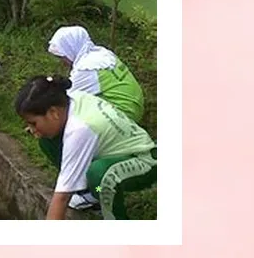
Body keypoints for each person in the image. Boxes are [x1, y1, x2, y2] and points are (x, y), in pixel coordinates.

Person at [13, 76, 157, 220]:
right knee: (47, 140)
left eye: (33, 123)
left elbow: (62, 198)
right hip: (110, 157)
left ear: (53, 113)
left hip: (144, 163)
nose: (30, 129)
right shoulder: (70, 100)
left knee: (99, 176)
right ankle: (90, 192)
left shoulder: (80, 128)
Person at [48, 26, 145, 123]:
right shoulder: (102, 54)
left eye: (63, 56)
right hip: (134, 105)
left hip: (123, 114)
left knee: (69, 113)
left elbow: (64, 98)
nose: (62, 62)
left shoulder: (87, 68)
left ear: (71, 49)